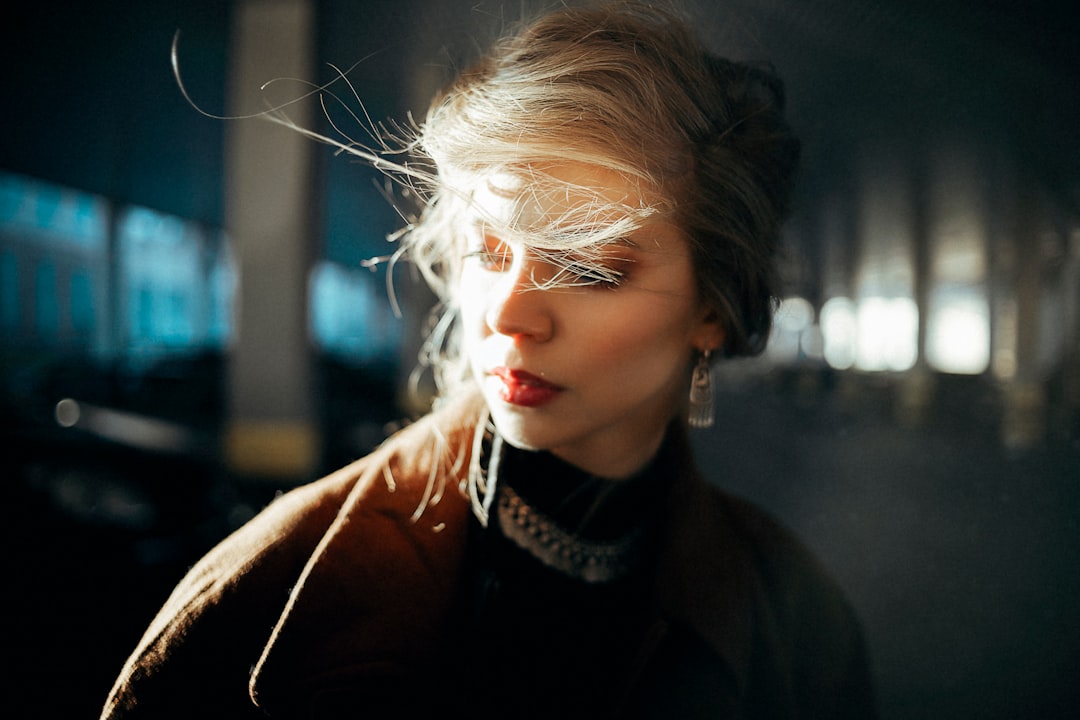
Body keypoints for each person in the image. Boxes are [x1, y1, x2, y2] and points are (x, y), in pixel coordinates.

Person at [102, 2, 875, 717]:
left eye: (586, 268)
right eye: (489, 251)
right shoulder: (277, 590)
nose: (507, 313)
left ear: (712, 306)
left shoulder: (797, 621)